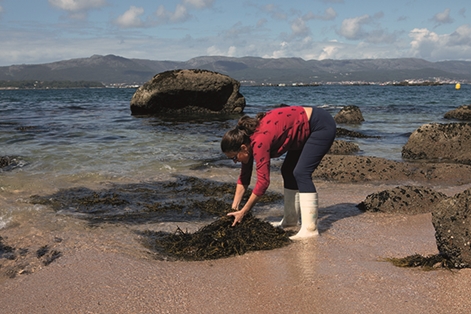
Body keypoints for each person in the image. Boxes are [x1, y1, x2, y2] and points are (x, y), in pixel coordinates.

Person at [220, 105, 336, 240]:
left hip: (320, 125)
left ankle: (310, 229)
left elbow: (263, 183)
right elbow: (244, 177)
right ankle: (290, 221)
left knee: (301, 173)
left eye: (234, 157)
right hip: (301, 132)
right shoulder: (247, 141)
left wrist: (244, 212)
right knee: (287, 171)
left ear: (243, 148)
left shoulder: (259, 141)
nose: (234, 162)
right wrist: (234, 208)